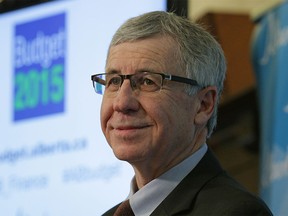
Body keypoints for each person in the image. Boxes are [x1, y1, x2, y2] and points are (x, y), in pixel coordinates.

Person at [91, 11, 273, 216]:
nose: (122, 103)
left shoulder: (237, 212)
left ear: (203, 104)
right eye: (114, 81)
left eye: (147, 81)